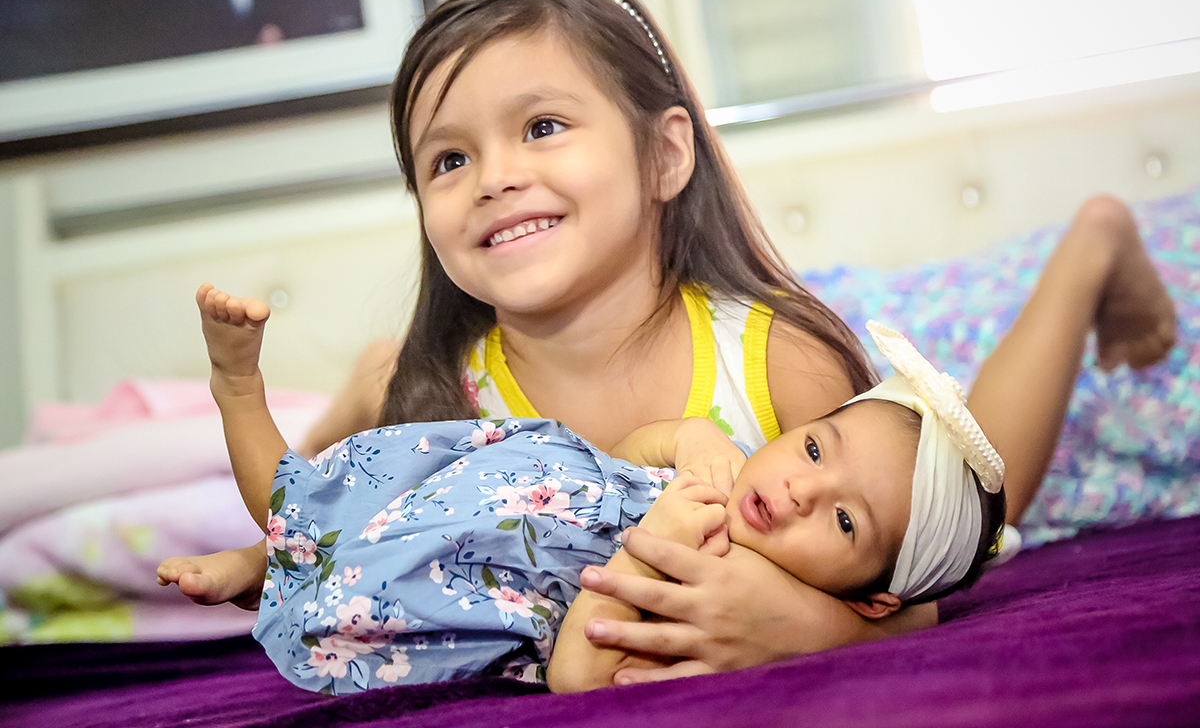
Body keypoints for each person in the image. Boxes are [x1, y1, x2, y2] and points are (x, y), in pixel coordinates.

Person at [158, 0, 1176, 686]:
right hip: (418, 389)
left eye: (542, 126)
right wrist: (265, 553)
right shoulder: (441, 393)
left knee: (971, 494)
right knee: (382, 390)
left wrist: (811, 625)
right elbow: (357, 516)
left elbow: (911, 580)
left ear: (665, 155)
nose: (496, 175)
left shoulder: (784, 358)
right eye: (448, 159)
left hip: (781, 345)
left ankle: (1090, 247)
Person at [180, 281, 1006, 694]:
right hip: (499, 474)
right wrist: (689, 436)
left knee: (321, 538)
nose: (798, 490)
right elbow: (628, 453)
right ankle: (264, 553)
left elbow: (579, 676)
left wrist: (652, 553)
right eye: (816, 448)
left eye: (845, 523)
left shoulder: (722, 599)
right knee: (328, 495)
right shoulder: (726, 476)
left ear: (871, 598)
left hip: (468, 575)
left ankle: (239, 394)